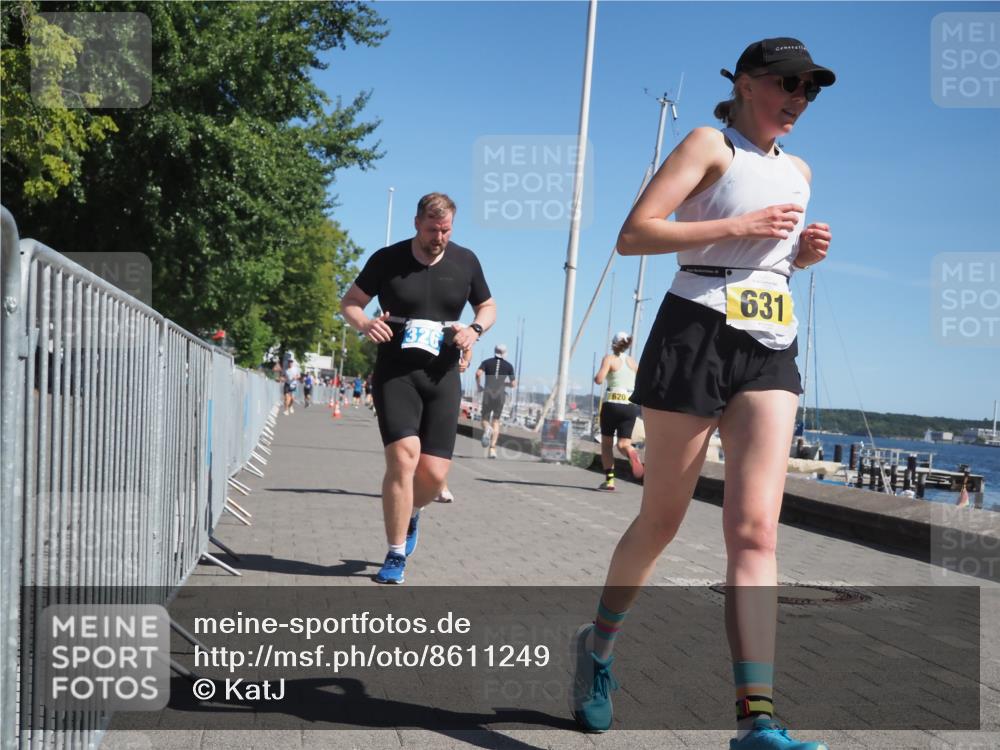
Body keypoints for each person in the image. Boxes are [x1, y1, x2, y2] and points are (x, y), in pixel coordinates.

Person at [571, 38, 834, 750]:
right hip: (694, 330)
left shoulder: (801, 170)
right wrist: (739, 226)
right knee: (662, 521)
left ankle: (757, 719)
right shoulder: (708, 144)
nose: (800, 98)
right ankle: (597, 649)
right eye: (788, 83)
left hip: (771, 344)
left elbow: (765, 255)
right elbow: (634, 234)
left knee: (754, 530)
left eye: (811, 89)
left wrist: (797, 255)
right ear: (747, 83)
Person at [340, 192, 496, 584]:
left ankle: (411, 512)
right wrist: (364, 324)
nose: (438, 237)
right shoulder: (387, 259)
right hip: (396, 373)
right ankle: (394, 555)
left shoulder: (466, 261)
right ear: (416, 223)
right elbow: (351, 302)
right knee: (404, 459)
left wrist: (474, 330)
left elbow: (488, 307)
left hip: (443, 375)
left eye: (445, 230)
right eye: (432, 229)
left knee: (433, 473)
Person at [593, 332, 645, 491]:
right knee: (623, 444)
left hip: (612, 405)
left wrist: (604, 372)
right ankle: (631, 452)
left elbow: (599, 379)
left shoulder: (609, 359)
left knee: (607, 445)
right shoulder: (633, 362)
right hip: (629, 407)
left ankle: (609, 481)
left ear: (613, 344)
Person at [434, 346, 473, 504]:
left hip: (446, 384)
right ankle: (413, 489)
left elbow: (468, 348)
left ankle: (441, 486)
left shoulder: (457, 326)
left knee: (441, 440)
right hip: (416, 378)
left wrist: (466, 362)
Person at [475, 344, 516, 459]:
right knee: (496, 421)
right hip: (500, 395)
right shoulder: (508, 366)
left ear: (495, 351)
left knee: (484, 419)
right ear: (504, 353)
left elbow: (478, 373)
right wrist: (504, 384)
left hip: (488, 393)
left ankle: (487, 429)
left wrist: (479, 386)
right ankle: (492, 450)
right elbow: (513, 384)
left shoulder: (487, 362)